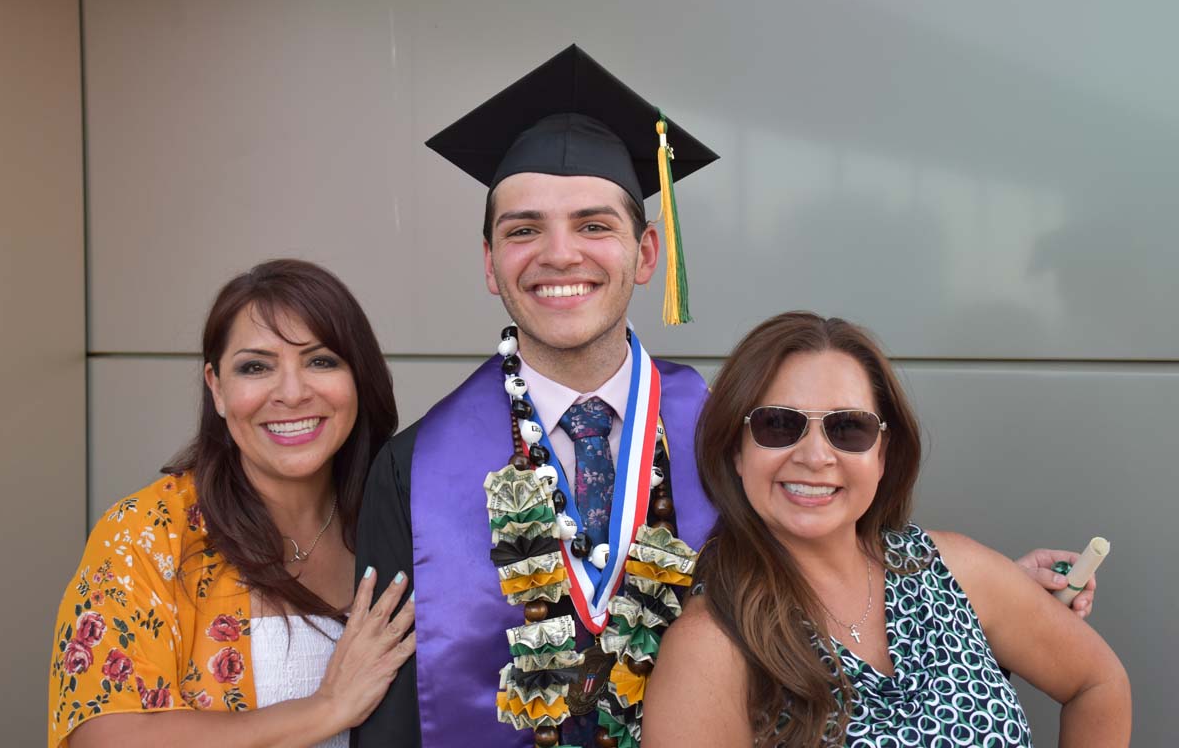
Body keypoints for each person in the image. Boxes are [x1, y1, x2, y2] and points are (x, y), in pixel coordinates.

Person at [353, 47, 1096, 748]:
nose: (559, 254)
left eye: (593, 225)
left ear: (646, 253)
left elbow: (841, 566)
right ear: (491, 263)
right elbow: (391, 715)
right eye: (524, 230)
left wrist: (993, 600)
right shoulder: (414, 472)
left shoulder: (733, 433)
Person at [643, 312, 1130, 747]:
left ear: (882, 453)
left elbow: (1098, 683)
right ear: (736, 450)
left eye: (848, 428)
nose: (815, 456)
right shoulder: (710, 649)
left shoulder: (953, 569)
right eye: (778, 425)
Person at [48, 259, 416, 748]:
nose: (291, 392)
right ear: (217, 388)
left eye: (321, 360)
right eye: (255, 367)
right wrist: (327, 707)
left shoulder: (406, 514)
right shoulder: (146, 533)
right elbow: (104, 737)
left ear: (358, 379)